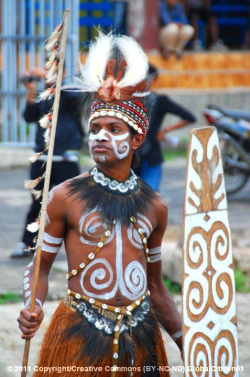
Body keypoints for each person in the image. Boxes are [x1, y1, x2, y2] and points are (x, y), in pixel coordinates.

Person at [17, 33, 182, 376]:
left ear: (137, 138)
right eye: (95, 128)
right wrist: (32, 306)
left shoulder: (154, 206)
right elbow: (40, 267)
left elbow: (154, 285)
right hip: (78, 333)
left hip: (142, 337)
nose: (100, 136)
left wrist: (186, 340)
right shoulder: (64, 196)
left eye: (113, 128)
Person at [11, 66, 84, 258]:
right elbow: (28, 116)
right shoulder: (43, 97)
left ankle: (77, 246)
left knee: (71, 202)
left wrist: (49, 76)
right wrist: (31, 90)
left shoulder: (69, 93)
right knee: (38, 203)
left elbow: (71, 97)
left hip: (65, 159)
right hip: (42, 159)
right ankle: (27, 244)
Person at [135, 64, 196, 191]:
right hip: (130, 156)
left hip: (151, 155)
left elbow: (189, 117)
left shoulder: (160, 100)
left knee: (150, 197)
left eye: (147, 77)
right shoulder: (129, 100)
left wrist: (166, 131)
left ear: (153, 79)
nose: (143, 80)